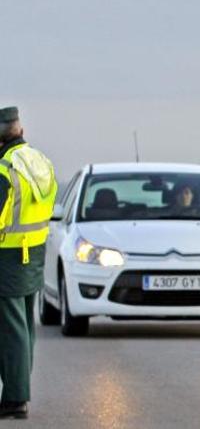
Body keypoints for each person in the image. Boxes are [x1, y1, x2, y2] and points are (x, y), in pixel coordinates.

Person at [0, 107, 57, 420]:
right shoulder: (38, 161)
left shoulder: (5, 168)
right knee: (24, 328)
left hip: (8, 256)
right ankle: (18, 391)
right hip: (33, 253)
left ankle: (15, 398)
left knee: (11, 331)